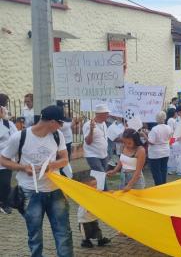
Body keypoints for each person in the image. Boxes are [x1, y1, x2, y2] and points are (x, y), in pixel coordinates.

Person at [0, 105, 73, 256]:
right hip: (30, 192)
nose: (62, 126)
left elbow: (65, 159)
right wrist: (22, 168)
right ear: (52, 122)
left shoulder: (57, 135)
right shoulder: (20, 137)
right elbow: (3, 160)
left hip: (55, 190)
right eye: (61, 123)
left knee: (63, 233)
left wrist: (52, 165)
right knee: (35, 235)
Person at [77, 176, 111, 248]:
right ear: (85, 187)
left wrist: (109, 194)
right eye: (92, 185)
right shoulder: (84, 195)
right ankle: (85, 241)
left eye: (96, 184)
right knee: (86, 232)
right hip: (84, 219)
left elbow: (102, 195)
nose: (95, 186)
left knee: (97, 229)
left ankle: (100, 240)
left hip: (93, 217)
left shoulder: (96, 192)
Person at [83, 104, 110, 189]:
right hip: (92, 155)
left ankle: (99, 192)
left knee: (101, 175)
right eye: (106, 113)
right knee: (101, 174)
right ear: (99, 114)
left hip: (103, 154)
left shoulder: (104, 123)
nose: (108, 115)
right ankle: (106, 194)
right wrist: (91, 130)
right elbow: (88, 142)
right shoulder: (88, 125)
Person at [0, 94, 17, 214]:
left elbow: (15, 139)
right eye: (5, 106)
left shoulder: (8, 124)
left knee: (5, 183)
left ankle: (4, 203)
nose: (6, 108)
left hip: (5, 160)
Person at [147, 111, 172, 186]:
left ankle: (159, 187)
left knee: (156, 172)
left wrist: (144, 136)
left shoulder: (155, 129)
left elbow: (151, 142)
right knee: (163, 170)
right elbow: (170, 137)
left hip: (155, 153)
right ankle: (163, 186)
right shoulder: (168, 127)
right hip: (165, 151)